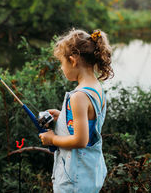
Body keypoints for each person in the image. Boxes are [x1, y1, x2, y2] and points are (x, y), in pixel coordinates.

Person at [39, 28, 114, 193]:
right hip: (91, 171)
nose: (61, 68)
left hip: (75, 179)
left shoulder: (78, 96)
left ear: (73, 60)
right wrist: (63, 116)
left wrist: (52, 139)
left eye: (61, 63)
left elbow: (80, 140)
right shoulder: (96, 88)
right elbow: (88, 121)